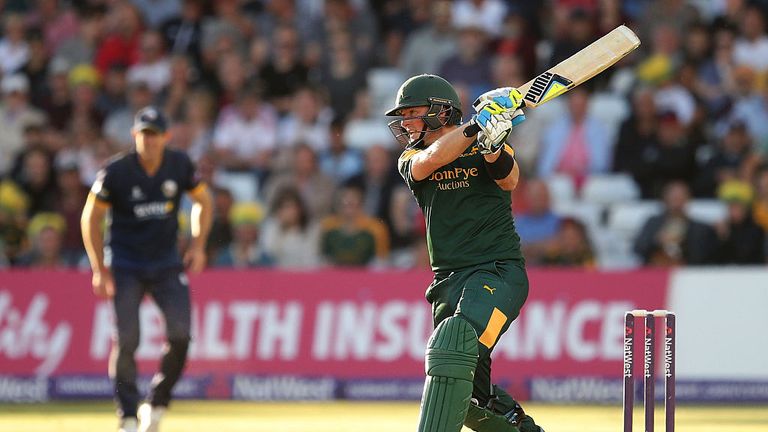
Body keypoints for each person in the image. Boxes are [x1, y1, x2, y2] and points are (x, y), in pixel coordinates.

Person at [384, 74, 543, 432]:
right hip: (448, 282)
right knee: (468, 397)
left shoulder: (486, 142)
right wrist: (477, 126)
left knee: (454, 341)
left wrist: (492, 145)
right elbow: (433, 159)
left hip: (497, 272)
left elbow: (509, 179)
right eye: (403, 115)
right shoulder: (411, 157)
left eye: (412, 113)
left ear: (441, 112)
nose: (405, 123)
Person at [81, 106, 212, 432]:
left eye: (155, 135)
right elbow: (90, 217)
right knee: (127, 340)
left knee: (181, 335)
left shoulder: (179, 165)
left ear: (166, 137)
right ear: (134, 136)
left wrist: (197, 246)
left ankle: (156, 403)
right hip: (125, 265)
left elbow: (204, 202)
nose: (149, 142)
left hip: (167, 264)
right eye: (144, 135)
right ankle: (127, 415)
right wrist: (99, 267)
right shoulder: (117, 172)